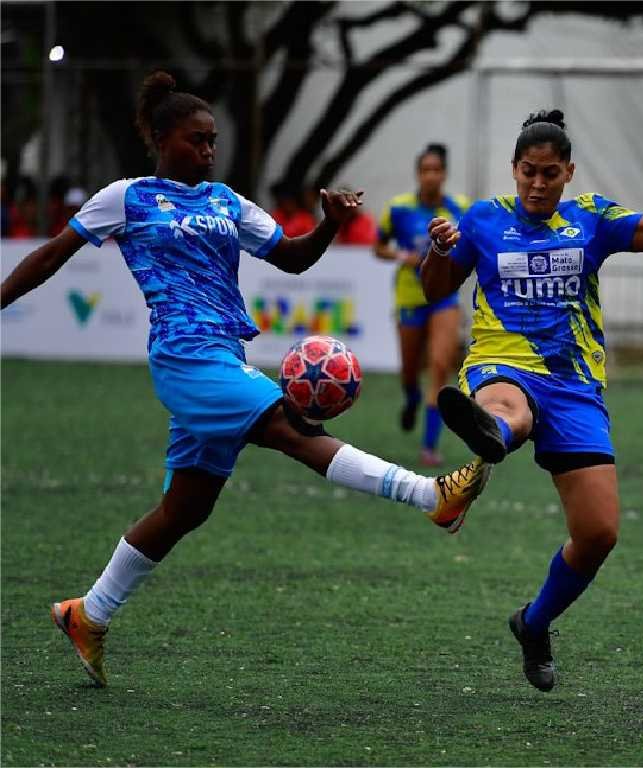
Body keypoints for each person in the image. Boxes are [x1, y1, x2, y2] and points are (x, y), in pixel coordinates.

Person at [0, 71, 491, 688]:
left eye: (213, 141)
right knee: (289, 425)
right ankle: (431, 497)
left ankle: (87, 612)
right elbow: (52, 253)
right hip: (184, 358)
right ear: (161, 138)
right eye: (196, 140)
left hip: (224, 355)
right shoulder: (126, 197)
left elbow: (292, 256)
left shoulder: (228, 202)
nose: (209, 151)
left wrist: (331, 224)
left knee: (186, 507)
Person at [420, 92, 643, 691]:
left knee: (599, 534)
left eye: (551, 174)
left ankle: (534, 621)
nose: (538, 184)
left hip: (576, 384)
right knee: (510, 411)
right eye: (529, 172)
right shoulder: (483, 219)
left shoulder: (591, 219)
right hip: (503, 362)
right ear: (514, 169)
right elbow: (435, 289)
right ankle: (491, 434)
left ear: (569, 173)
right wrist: (438, 252)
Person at [374, 143, 469, 467]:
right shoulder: (399, 209)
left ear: (444, 174)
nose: (431, 176)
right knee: (410, 372)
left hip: (444, 298)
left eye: (436, 170)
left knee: (440, 366)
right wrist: (405, 256)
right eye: (425, 170)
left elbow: (469, 248)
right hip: (410, 297)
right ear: (418, 174)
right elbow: (378, 247)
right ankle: (412, 398)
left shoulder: (459, 208)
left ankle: (429, 446)